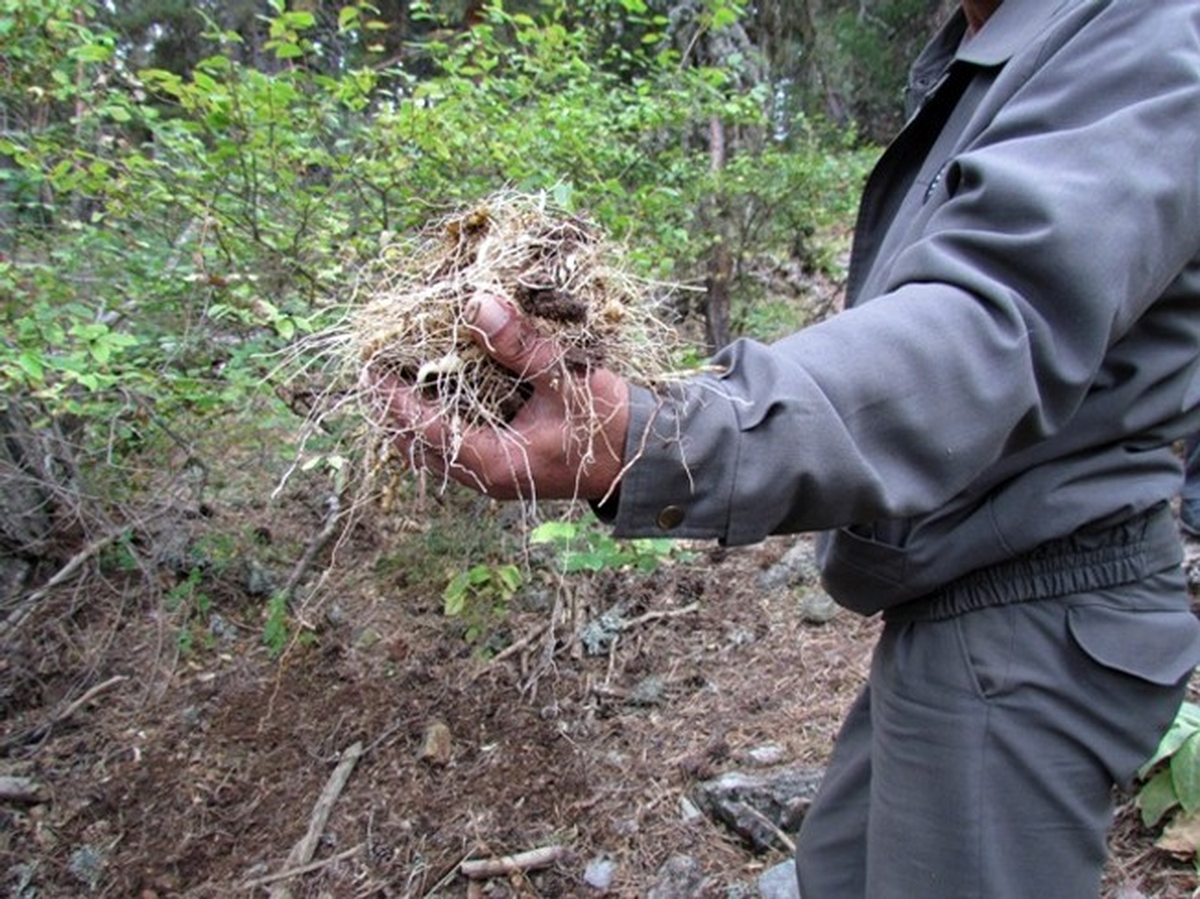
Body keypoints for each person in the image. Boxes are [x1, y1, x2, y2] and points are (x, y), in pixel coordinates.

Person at [375, 1, 1200, 896]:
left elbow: (984, 326)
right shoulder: (998, 51)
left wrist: (663, 434)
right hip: (959, 610)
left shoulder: (1149, 31)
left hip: (1031, 622)